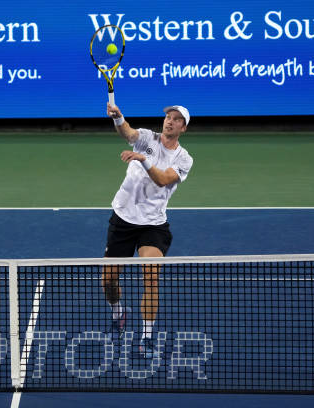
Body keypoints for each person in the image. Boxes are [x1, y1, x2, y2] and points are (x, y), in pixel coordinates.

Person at [102, 102, 193, 358]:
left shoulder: (184, 158)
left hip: (153, 225)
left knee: (151, 278)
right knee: (108, 281)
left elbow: (163, 179)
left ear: (183, 128)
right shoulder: (146, 138)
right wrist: (119, 118)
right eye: (168, 117)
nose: (169, 121)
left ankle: (146, 335)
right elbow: (128, 133)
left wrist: (142, 160)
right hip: (123, 219)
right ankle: (119, 312)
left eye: (176, 119)